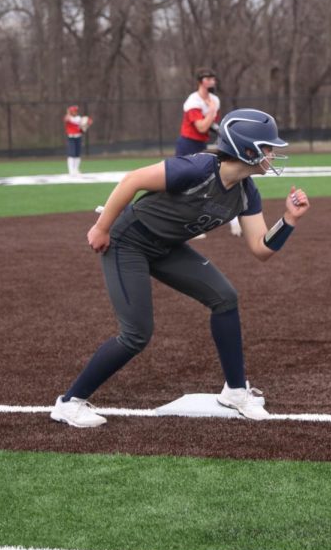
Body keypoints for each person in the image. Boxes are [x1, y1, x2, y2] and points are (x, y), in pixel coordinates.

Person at [51, 108, 310, 427]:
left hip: (165, 247)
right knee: (136, 334)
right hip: (128, 241)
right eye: (267, 147)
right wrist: (102, 227)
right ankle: (69, 402)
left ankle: (235, 392)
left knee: (225, 298)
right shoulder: (198, 167)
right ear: (246, 149)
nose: (272, 154)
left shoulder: (245, 192)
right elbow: (132, 180)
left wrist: (289, 220)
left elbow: (260, 248)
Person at [175, 68, 242, 236]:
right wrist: (211, 110)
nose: (212, 81)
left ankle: (233, 222)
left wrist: (224, 134)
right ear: (201, 82)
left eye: (213, 78)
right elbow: (202, 126)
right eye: (208, 79)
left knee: (214, 180)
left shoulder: (214, 100)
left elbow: (211, 126)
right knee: (186, 185)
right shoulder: (193, 102)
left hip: (201, 145)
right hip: (187, 145)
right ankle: (189, 225)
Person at [64, 105, 92, 176]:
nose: (75, 112)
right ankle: (71, 170)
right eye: (73, 111)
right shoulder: (69, 118)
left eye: (75, 111)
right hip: (71, 138)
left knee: (77, 154)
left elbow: (89, 121)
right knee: (71, 154)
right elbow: (67, 119)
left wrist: (86, 124)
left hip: (78, 137)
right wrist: (68, 113)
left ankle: (76, 169)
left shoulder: (79, 118)